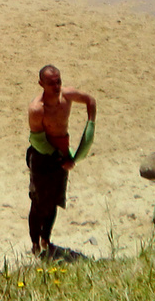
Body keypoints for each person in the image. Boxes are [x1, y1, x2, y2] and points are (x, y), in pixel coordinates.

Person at [26, 64, 96, 258]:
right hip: (43, 155)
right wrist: (61, 159)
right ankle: (34, 242)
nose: (56, 87)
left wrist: (91, 125)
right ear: (41, 84)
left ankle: (46, 239)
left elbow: (90, 100)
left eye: (58, 82)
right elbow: (38, 140)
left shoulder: (67, 96)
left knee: (55, 200)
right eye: (51, 83)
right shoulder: (37, 109)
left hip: (62, 153)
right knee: (39, 202)